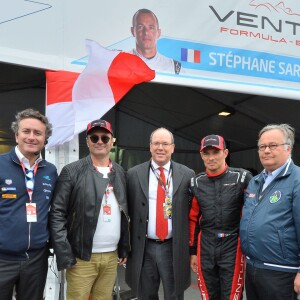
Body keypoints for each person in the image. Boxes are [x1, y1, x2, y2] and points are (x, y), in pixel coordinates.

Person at [49, 119, 129, 300]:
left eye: (104, 137)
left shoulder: (121, 172)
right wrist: (65, 253)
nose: (99, 141)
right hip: (81, 258)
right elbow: (57, 214)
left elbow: (125, 213)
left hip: (111, 256)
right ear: (87, 142)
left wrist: (124, 247)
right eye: (94, 138)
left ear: (112, 141)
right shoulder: (72, 171)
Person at [125, 127, 195, 300]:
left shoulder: (187, 175)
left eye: (165, 144)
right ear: (150, 146)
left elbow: (194, 214)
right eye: (156, 143)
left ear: (173, 147)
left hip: (174, 247)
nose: (160, 148)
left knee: (174, 295)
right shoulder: (133, 174)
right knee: (146, 294)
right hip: (144, 247)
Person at [0, 108, 58, 300]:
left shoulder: (49, 170)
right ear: (17, 136)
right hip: (3, 259)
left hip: (36, 259)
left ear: (44, 139)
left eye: (38, 133)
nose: (32, 137)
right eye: (26, 131)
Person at [240, 124, 300, 300]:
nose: (266, 150)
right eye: (262, 147)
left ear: (288, 148)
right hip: (253, 266)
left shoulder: (297, 180)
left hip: (281, 271)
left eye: (273, 145)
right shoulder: (256, 181)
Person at [189, 134, 252, 300]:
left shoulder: (242, 178)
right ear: (201, 155)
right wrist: (193, 251)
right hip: (206, 245)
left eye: (215, 152)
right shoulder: (196, 182)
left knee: (231, 295)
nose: (211, 158)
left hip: (233, 244)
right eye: (206, 153)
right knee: (208, 295)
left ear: (225, 153)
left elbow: (251, 216)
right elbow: (193, 219)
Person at [129, 8, 182, 74]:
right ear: (132, 31)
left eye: (151, 28)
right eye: (140, 27)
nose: (146, 32)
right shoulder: (120, 62)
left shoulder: (174, 67)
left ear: (158, 33)